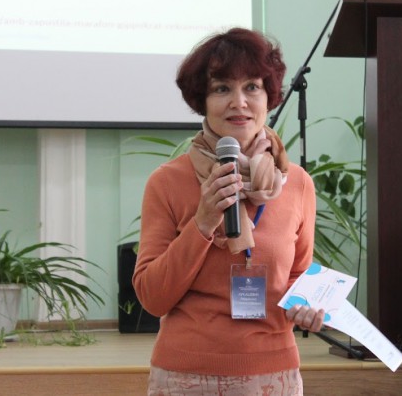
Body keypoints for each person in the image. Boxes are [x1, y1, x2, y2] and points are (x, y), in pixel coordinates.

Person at [133, 27, 325, 395]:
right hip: (185, 376)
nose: (239, 102)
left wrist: (310, 305)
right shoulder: (167, 182)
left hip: (274, 375)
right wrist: (203, 222)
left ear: (269, 97)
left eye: (252, 87)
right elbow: (153, 297)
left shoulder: (297, 183)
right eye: (222, 88)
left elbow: (298, 276)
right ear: (202, 100)